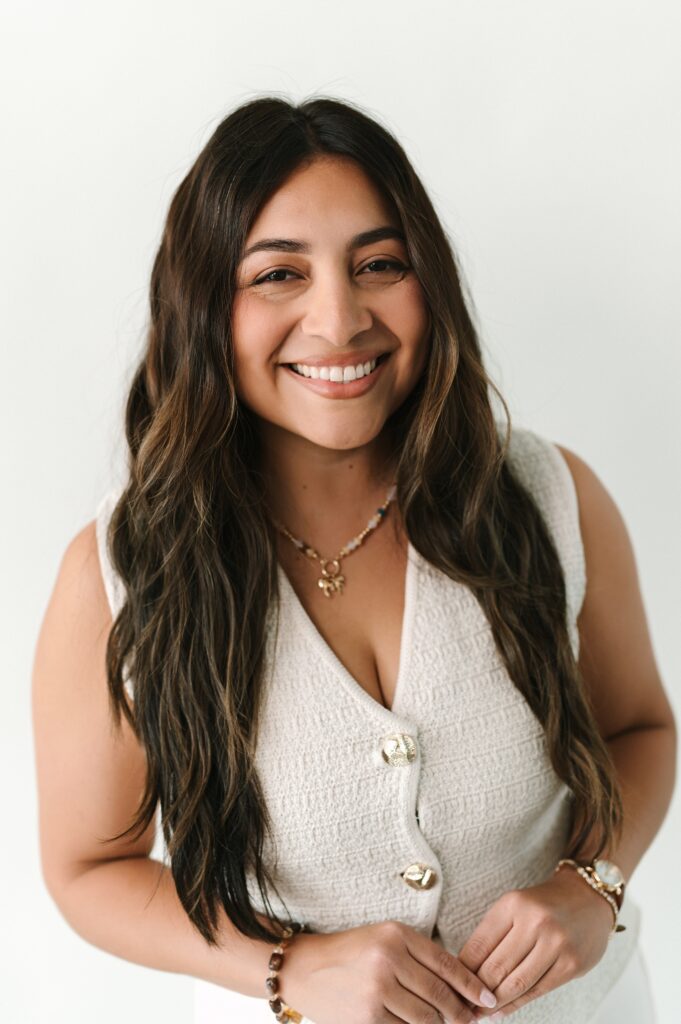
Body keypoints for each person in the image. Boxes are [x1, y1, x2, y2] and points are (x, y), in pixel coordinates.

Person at [32, 95, 676, 1024]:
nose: (338, 321)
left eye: (379, 264)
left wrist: (592, 884)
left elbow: (640, 732)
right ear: (203, 304)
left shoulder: (545, 495)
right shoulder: (123, 573)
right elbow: (87, 869)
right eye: (277, 275)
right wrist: (285, 970)